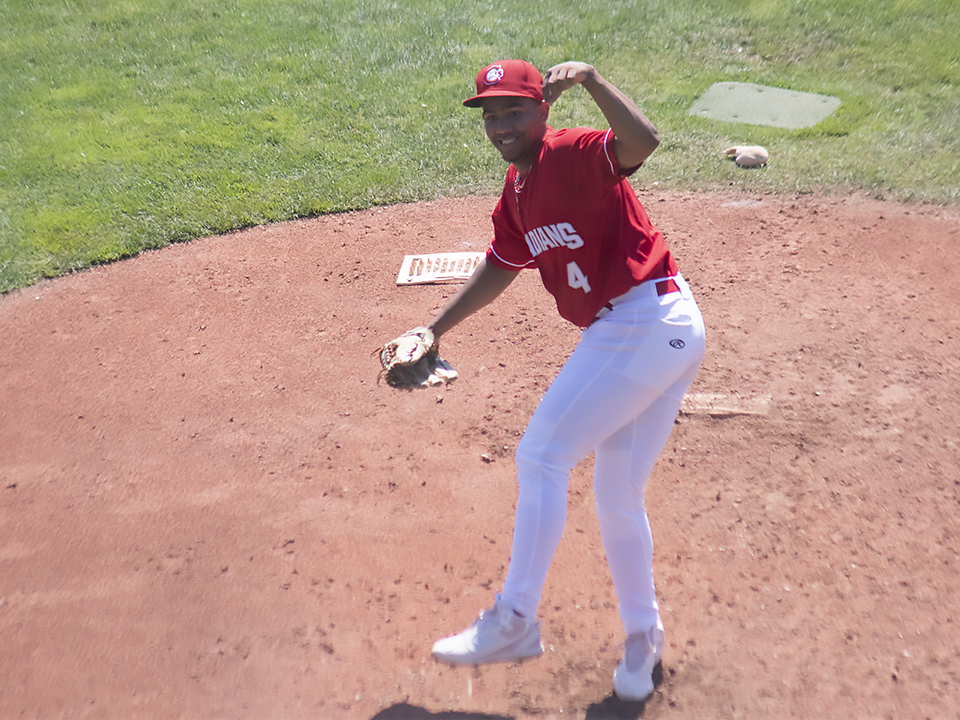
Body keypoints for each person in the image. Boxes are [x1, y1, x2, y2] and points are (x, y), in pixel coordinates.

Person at [422, 59, 706, 702]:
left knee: (542, 454)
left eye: (513, 111)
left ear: (541, 109)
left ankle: (515, 618)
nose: (500, 125)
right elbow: (500, 266)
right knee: (616, 493)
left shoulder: (574, 152)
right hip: (659, 327)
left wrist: (595, 81)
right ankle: (644, 636)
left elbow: (643, 143)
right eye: (490, 115)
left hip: (643, 320)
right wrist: (433, 330)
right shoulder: (516, 190)